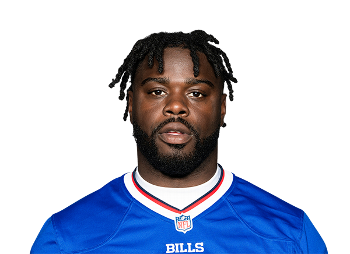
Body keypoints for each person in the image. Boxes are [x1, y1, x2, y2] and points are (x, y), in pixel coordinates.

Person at [31, 30, 326, 253]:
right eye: (157, 91)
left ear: (222, 106)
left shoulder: (290, 233)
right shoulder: (68, 236)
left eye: (196, 92)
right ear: (131, 105)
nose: (175, 106)